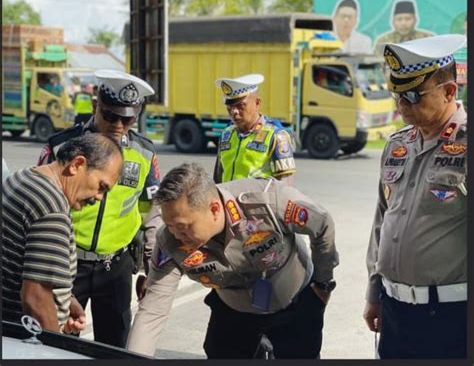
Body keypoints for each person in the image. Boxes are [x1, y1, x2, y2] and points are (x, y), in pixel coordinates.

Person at [127, 162, 339, 359]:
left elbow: (322, 224)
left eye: (183, 226)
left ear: (214, 209)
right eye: (169, 225)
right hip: (233, 309)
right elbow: (153, 309)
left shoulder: (267, 201)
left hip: (294, 302)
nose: (175, 234)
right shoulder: (169, 241)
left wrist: (323, 283)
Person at [37, 69, 163, 348]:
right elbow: (39, 203)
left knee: (114, 346)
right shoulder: (62, 147)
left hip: (115, 265)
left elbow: (151, 212)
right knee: (57, 342)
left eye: (127, 118)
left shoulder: (145, 153)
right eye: (110, 115)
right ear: (95, 106)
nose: (118, 125)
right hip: (65, 264)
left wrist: (149, 267)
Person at [364, 34, 467, 358]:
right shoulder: (398, 145)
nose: (401, 105)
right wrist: (374, 292)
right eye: (397, 94)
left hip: (453, 317)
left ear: (449, 91)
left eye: (412, 95)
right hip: (395, 312)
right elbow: (382, 220)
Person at [2, 134, 123, 334]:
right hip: (22, 336)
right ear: (77, 164)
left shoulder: (23, 177)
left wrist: (66, 300)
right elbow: (36, 299)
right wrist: (55, 348)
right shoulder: (52, 208)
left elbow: (22, 265)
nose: (99, 198)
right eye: (101, 186)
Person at [213, 74, 296, 184]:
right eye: (230, 107)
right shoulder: (226, 135)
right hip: (227, 201)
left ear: (257, 103)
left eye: (240, 106)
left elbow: (285, 187)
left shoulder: (276, 136)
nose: (234, 112)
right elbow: (218, 179)